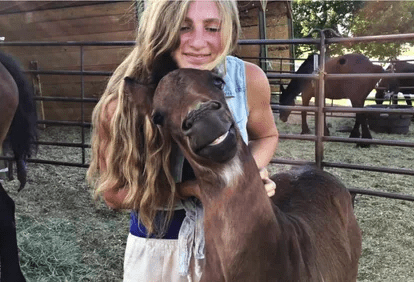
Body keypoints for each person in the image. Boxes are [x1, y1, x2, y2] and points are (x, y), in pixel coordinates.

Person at [87, 0, 279, 281]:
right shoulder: (122, 104)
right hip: (162, 249)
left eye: (212, 27)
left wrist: (246, 175)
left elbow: (267, 135)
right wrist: (192, 188)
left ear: (230, 29)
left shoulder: (248, 80)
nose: (199, 42)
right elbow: (114, 195)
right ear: (159, 28)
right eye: (183, 27)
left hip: (241, 241)